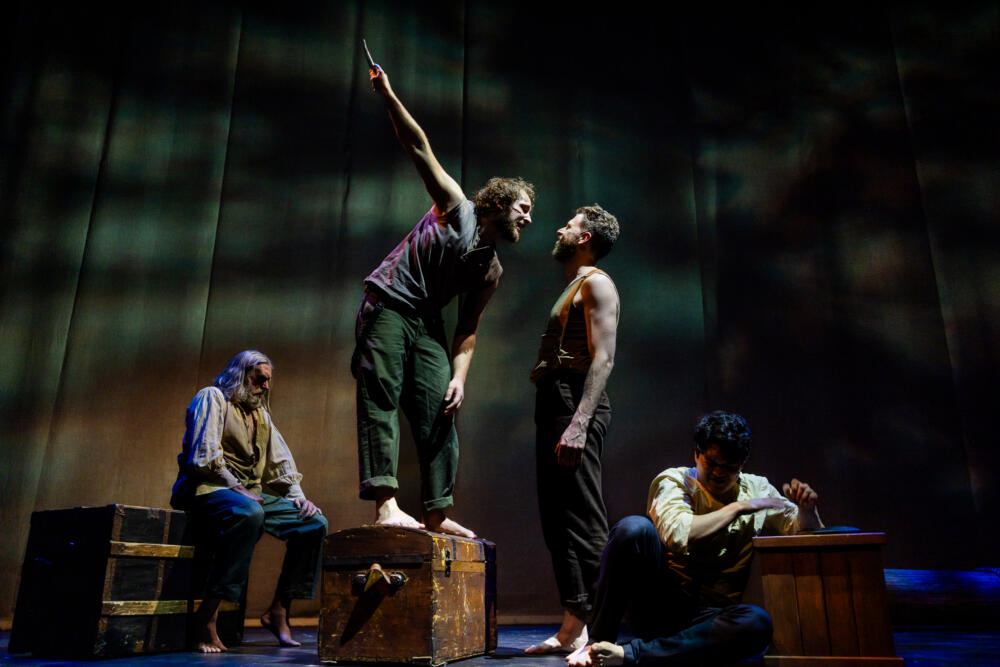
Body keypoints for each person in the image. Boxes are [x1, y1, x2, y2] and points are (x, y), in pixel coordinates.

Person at [353, 61, 534, 538]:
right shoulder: (457, 207)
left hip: (427, 322)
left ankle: (435, 512)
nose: (528, 219)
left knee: (440, 410)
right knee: (381, 397)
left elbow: (468, 329)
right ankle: (386, 505)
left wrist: (460, 377)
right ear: (498, 202)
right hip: (390, 302)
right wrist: (388, 93)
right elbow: (418, 145)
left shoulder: (492, 270)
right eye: (523, 209)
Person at [568, 411, 823, 666]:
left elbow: (803, 533)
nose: (719, 473)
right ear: (696, 455)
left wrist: (807, 510)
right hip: (660, 608)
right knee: (633, 530)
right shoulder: (674, 482)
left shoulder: (757, 489)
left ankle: (632, 654)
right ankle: (596, 646)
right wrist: (737, 508)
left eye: (729, 467)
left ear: (742, 464)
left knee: (756, 623)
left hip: (711, 620)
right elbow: (679, 534)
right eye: (711, 463)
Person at [171, 350, 327, 654]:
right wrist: (236, 487)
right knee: (250, 512)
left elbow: (280, 462)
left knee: (313, 524)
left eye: (268, 381)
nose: (266, 386)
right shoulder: (212, 397)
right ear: (241, 375)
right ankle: (209, 612)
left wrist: (299, 499)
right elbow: (202, 456)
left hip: (248, 495)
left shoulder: (261, 415)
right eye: (260, 379)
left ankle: (279, 610)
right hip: (207, 488)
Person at [525, 205, 621, 654]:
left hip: (575, 401)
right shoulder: (573, 286)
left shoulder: (596, 282)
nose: (561, 228)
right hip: (555, 402)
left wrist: (580, 422)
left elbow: (603, 358)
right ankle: (572, 627)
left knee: (583, 520)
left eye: (570, 224)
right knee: (558, 522)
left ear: (584, 238)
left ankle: (602, 634)